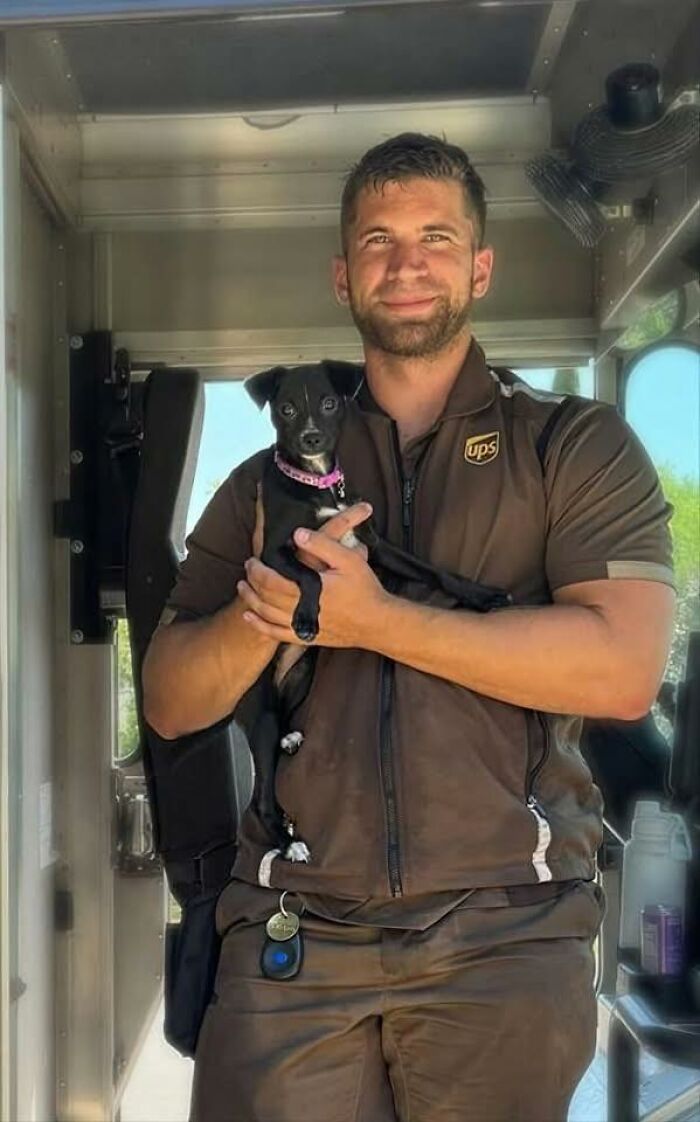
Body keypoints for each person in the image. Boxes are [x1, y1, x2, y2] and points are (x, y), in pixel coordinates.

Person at [143, 133, 675, 1122]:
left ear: (479, 266)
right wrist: (271, 616)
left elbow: (621, 671)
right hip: (294, 934)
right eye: (378, 240)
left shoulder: (572, 447)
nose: (406, 263)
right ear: (344, 275)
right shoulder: (266, 481)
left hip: (507, 936)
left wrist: (374, 619)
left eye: (435, 237)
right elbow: (172, 701)